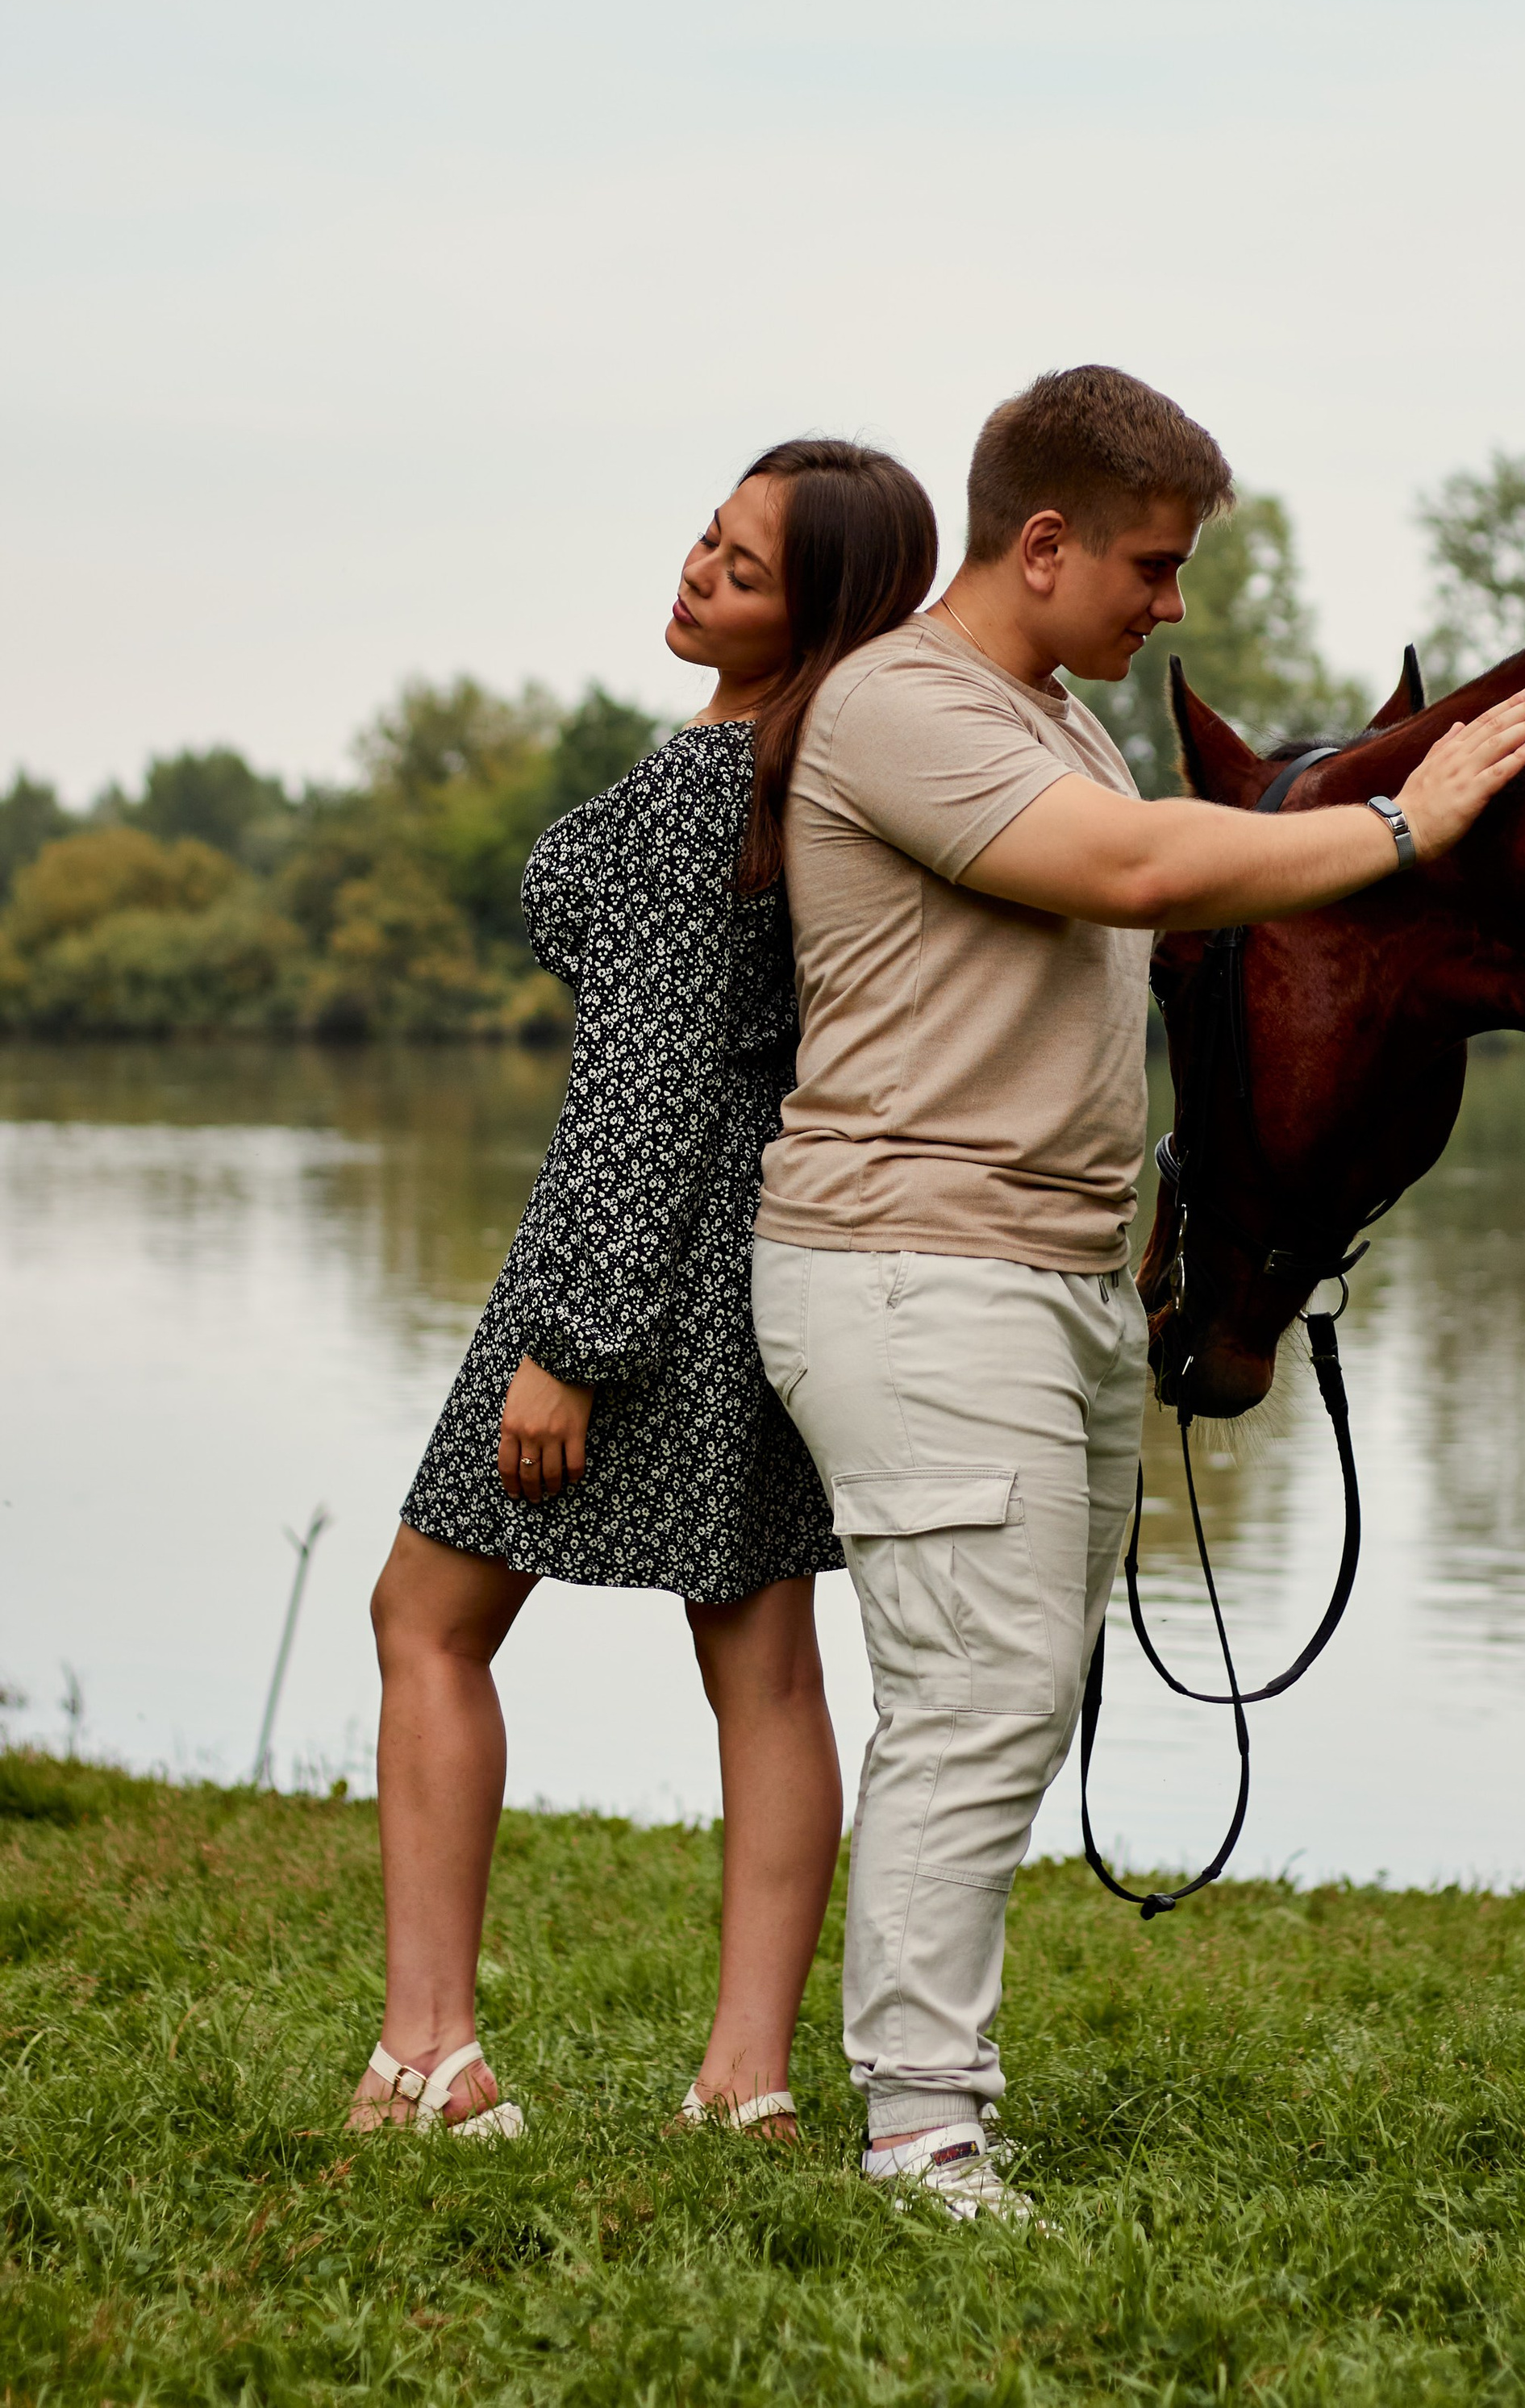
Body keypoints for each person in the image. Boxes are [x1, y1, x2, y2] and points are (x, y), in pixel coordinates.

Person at [751, 365, 1525, 2218]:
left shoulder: (1058, 720)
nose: (1169, 605)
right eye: (1152, 564)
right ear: (1041, 544)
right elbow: (1127, 875)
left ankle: (933, 2097)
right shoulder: (897, 707)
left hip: (1041, 1281)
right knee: (975, 1697)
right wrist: (1400, 828)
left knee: (1010, 1694)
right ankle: (919, 2136)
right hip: (910, 1271)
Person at [351, 436, 938, 2141]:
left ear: (814, 614)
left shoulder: (708, 794)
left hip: (632, 1254)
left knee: (424, 1620)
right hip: (766, 1241)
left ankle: (432, 2057)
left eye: (744, 570)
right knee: (762, 1657)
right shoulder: (796, 775)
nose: (697, 573)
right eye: (707, 538)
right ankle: (743, 2084)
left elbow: (644, 1075)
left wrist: (575, 1347)